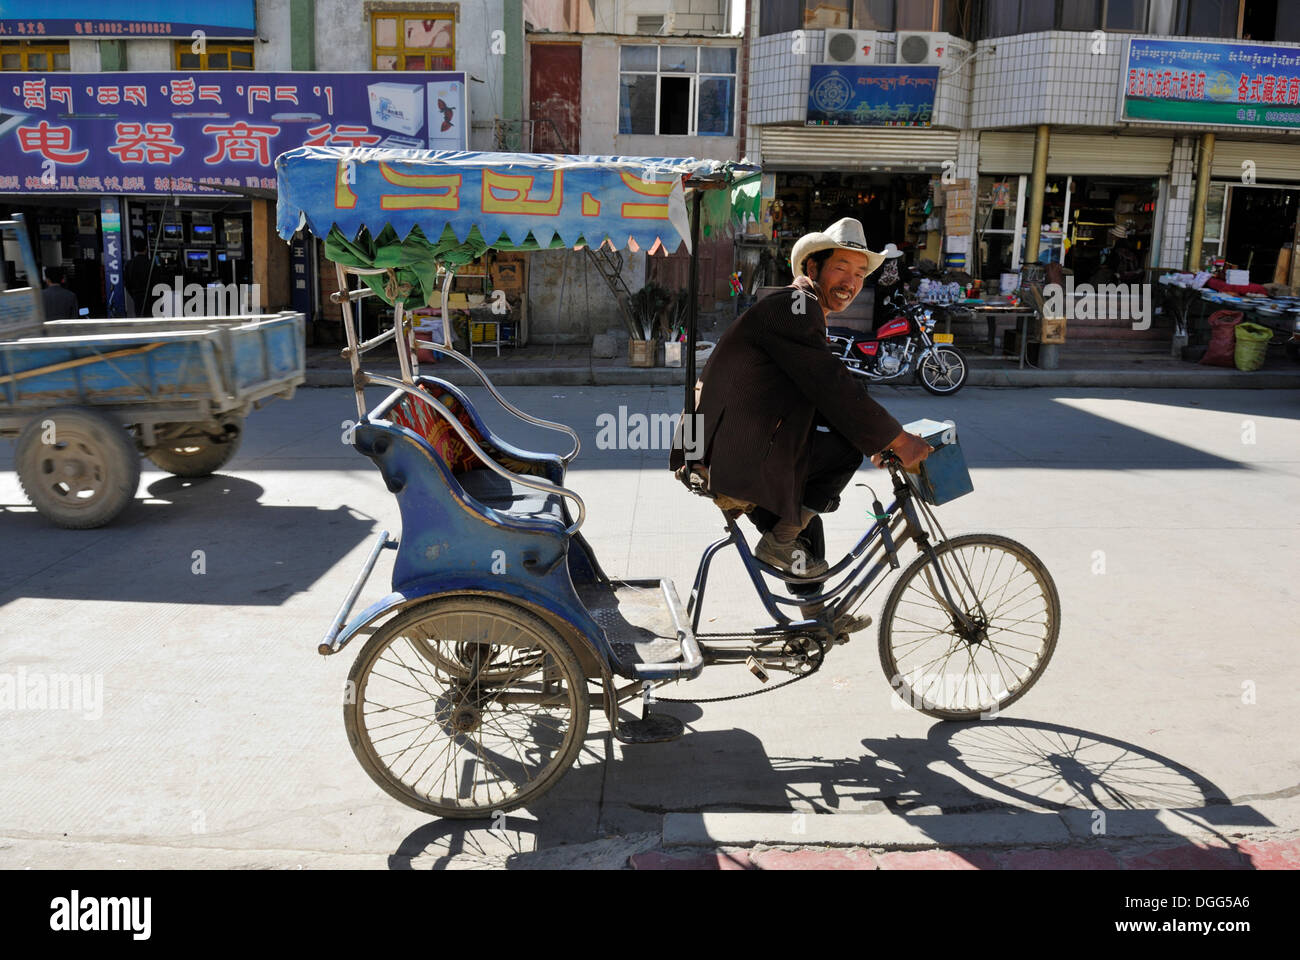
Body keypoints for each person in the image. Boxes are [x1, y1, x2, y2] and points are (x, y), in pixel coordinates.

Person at [670, 218, 931, 581]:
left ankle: (813, 622)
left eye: (859, 274)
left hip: (718, 444)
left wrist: (878, 437)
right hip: (721, 451)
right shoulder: (797, 306)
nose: (851, 283)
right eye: (841, 269)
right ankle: (783, 544)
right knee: (841, 453)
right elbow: (831, 384)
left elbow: (819, 390)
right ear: (812, 267)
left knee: (798, 525)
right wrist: (896, 439)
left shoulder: (801, 308)